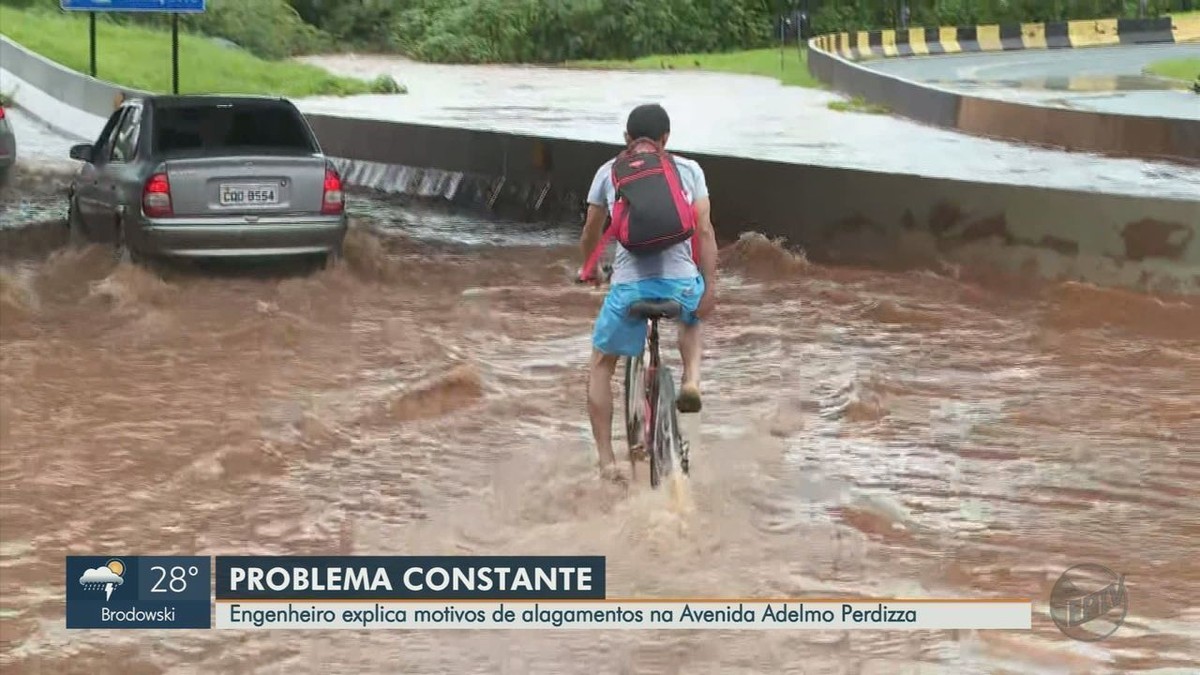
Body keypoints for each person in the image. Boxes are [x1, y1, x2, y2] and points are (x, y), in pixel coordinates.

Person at [578, 103, 718, 480]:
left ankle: (608, 463)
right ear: (666, 139)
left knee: (601, 367)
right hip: (680, 284)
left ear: (626, 139)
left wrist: (589, 269)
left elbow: (591, 232)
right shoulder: (689, 170)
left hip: (628, 288)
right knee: (693, 314)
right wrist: (711, 287)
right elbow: (704, 232)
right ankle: (690, 379)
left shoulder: (609, 172)